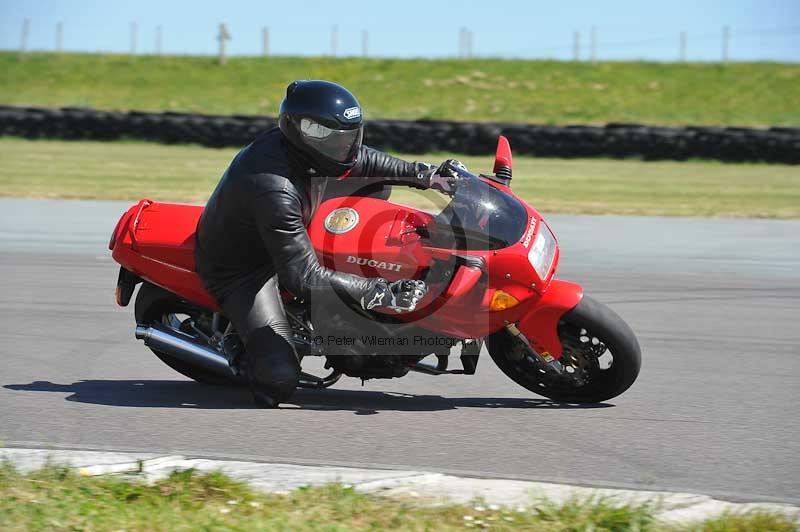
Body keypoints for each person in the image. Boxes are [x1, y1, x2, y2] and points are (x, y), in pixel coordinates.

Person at [194, 80, 462, 407]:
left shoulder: (311, 154)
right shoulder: (273, 188)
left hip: (291, 224)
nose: (347, 148)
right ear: (304, 132)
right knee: (278, 379)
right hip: (246, 268)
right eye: (338, 140)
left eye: (350, 137)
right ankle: (240, 344)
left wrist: (427, 175)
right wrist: (382, 292)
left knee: (377, 187)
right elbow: (302, 278)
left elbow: (363, 160)